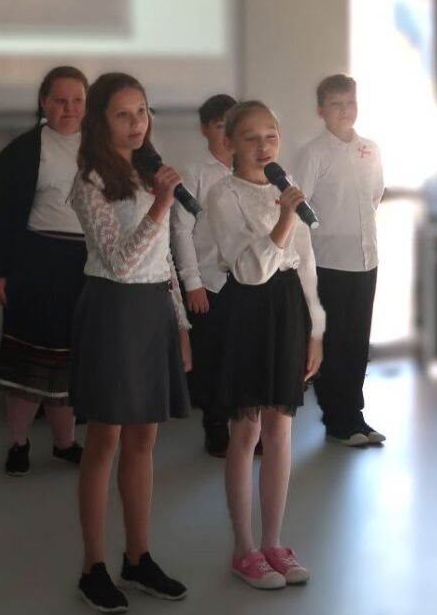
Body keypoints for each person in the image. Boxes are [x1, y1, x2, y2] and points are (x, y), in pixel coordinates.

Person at [68, 72, 192, 612]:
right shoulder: (90, 182)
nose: (137, 122)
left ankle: (137, 557)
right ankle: (92, 567)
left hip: (152, 311)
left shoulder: (149, 172)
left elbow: (163, 259)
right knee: (105, 442)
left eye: (142, 111)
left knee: (145, 440)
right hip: (113, 311)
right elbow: (119, 262)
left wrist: (181, 324)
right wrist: (160, 205)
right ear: (100, 122)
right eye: (123, 113)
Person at [203, 101, 323, 589]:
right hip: (249, 308)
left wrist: (315, 330)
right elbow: (250, 271)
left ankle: (274, 542)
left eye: (270, 135)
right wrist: (285, 219)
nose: (263, 146)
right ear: (229, 143)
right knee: (247, 429)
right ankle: (244, 548)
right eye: (250, 137)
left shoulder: (285, 185)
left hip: (289, 307)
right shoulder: (223, 194)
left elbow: (306, 264)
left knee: (281, 428)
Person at [0, 66, 90, 476]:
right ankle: (19, 444)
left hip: (88, 267)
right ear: (43, 101)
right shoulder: (24, 150)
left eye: (77, 101)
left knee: (71, 361)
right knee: (28, 360)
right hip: (36, 265)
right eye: (60, 100)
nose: (69, 109)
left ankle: (64, 443)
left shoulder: (101, 147)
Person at [293, 74, 386, 446]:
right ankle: (336, 419)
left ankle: (355, 415)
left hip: (366, 257)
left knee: (358, 341)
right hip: (329, 261)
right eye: (336, 104)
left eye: (350, 102)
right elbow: (299, 208)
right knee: (333, 341)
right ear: (321, 111)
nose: (345, 110)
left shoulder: (370, 149)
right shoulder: (313, 153)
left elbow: (375, 195)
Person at [172, 93, 237, 457]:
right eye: (219, 125)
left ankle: (248, 426)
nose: (227, 134)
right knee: (213, 358)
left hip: (250, 280)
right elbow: (181, 231)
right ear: (204, 129)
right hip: (210, 280)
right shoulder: (195, 174)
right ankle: (216, 427)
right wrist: (192, 283)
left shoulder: (255, 167)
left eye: (233, 125)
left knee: (244, 355)